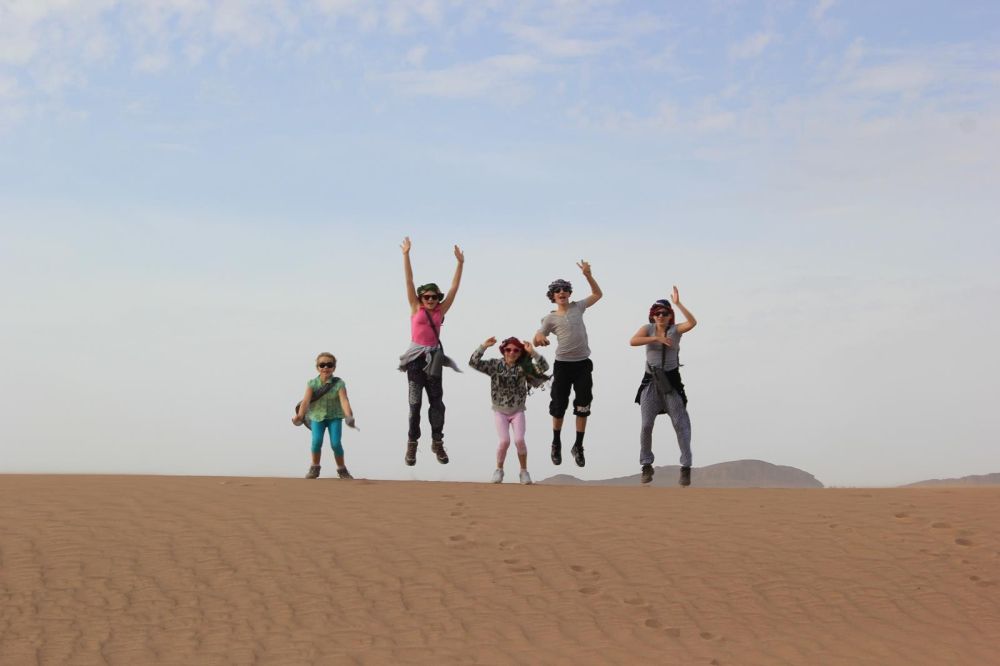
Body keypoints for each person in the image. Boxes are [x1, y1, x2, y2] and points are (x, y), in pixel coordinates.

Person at [398, 236, 464, 466]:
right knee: (414, 404)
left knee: (437, 403)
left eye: (435, 297)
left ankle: (437, 442)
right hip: (415, 360)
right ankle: (412, 444)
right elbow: (409, 280)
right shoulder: (415, 307)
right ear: (420, 298)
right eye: (427, 297)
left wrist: (460, 264)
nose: (431, 300)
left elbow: (454, 288)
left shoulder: (440, 310)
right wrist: (406, 255)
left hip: (434, 359)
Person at [532, 260, 602, 467]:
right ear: (553, 296)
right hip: (562, 366)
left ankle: (578, 446)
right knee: (559, 406)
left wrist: (588, 275)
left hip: (582, 365)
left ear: (569, 293)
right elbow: (538, 335)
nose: (561, 292)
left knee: (583, 405)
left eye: (565, 289)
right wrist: (540, 339)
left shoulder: (578, 306)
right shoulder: (550, 319)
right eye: (557, 290)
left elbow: (598, 295)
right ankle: (556, 443)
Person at [629, 287, 697, 486]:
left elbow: (693, 323)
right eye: (657, 313)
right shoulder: (647, 329)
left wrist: (678, 304)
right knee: (646, 425)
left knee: (680, 423)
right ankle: (646, 465)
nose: (660, 315)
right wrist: (656, 338)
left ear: (669, 316)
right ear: (652, 315)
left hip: (671, 383)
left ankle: (686, 467)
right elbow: (633, 341)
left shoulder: (675, 330)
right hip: (651, 382)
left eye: (664, 313)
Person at [469, 336, 550, 484]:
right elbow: (473, 363)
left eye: (515, 350)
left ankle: (524, 472)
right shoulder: (495, 365)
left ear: (520, 353)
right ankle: (499, 470)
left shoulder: (523, 367)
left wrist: (532, 352)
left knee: (519, 440)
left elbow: (544, 367)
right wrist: (483, 346)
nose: (511, 353)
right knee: (504, 441)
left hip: (517, 410)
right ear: (503, 351)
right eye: (508, 349)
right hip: (500, 411)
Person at [292, 353, 357, 479]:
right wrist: (299, 416)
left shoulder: (339, 384)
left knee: (336, 443)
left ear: (334, 367)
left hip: (334, 417)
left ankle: (342, 469)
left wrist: (349, 415)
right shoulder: (312, 384)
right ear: (317, 367)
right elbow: (305, 401)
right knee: (316, 442)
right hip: (317, 417)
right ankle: (314, 467)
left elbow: (344, 400)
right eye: (322, 365)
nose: (326, 367)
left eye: (329, 365)